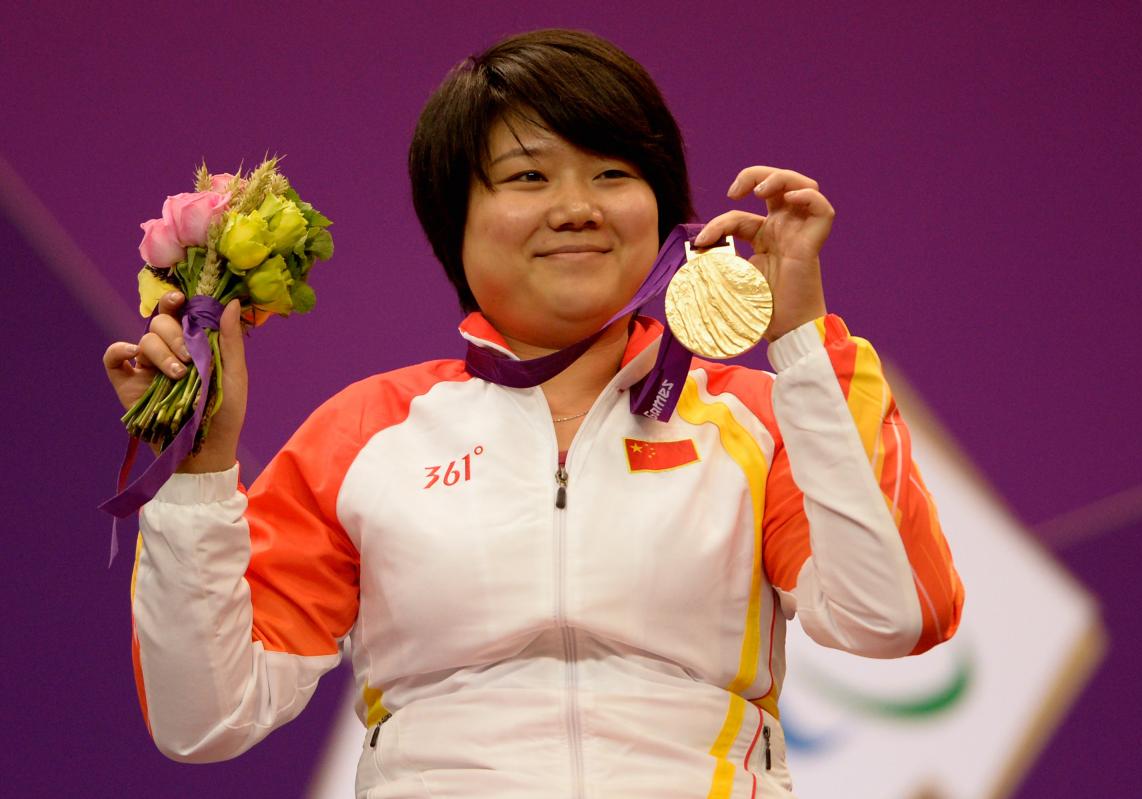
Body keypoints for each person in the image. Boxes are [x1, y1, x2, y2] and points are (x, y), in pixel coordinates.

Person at [102, 29, 963, 799]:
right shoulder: (366, 433)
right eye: (528, 177)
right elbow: (203, 717)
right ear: (458, 223)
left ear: (663, 211)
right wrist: (200, 470)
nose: (577, 205)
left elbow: (893, 618)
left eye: (613, 173)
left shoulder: (759, 419)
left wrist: (802, 344)